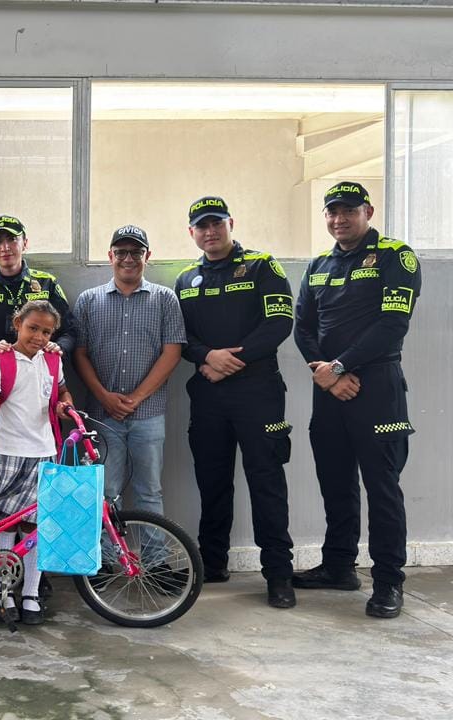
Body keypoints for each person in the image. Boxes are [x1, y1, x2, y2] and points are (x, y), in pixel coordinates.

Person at [293, 181, 422, 619]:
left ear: (368, 211)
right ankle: (338, 567)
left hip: (377, 388)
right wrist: (327, 376)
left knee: (382, 489)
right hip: (329, 391)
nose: (338, 219)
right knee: (335, 483)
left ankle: (389, 582)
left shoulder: (395, 256)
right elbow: (303, 328)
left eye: (348, 210)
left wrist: (340, 367)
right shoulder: (318, 265)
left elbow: (392, 324)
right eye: (331, 212)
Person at [173, 197, 296, 609]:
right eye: (201, 226)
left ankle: (278, 574)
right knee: (212, 482)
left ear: (231, 224)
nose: (210, 232)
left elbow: (280, 322)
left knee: (267, 483)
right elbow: (180, 337)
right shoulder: (186, 279)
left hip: (258, 394)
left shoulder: (262, 265)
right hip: (208, 394)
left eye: (216, 224)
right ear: (192, 233)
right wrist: (208, 357)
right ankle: (213, 561)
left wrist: (233, 361)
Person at [0, 300, 75, 626]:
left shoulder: (53, 360)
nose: (39, 336)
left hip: (43, 452)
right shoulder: (0, 360)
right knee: (4, 524)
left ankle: (30, 592)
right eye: (33, 328)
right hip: (7, 453)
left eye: (46, 331)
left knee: (35, 526)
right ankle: (4, 591)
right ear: (17, 324)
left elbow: (61, 394)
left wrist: (65, 407)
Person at [72, 226, 185, 518]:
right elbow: (79, 354)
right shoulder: (88, 300)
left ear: (148, 256)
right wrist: (104, 396)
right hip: (101, 414)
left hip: (148, 414)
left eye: (136, 252)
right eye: (121, 252)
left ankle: (155, 562)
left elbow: (172, 352)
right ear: (110, 256)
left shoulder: (165, 299)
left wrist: (135, 398)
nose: (128, 258)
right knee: (106, 492)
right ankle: (110, 562)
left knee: (150, 492)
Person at [0, 215, 76, 439]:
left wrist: (58, 349)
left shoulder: (47, 283)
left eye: (12, 239)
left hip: (39, 389)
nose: (5, 247)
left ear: (25, 243)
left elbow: (70, 332)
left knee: (41, 458)